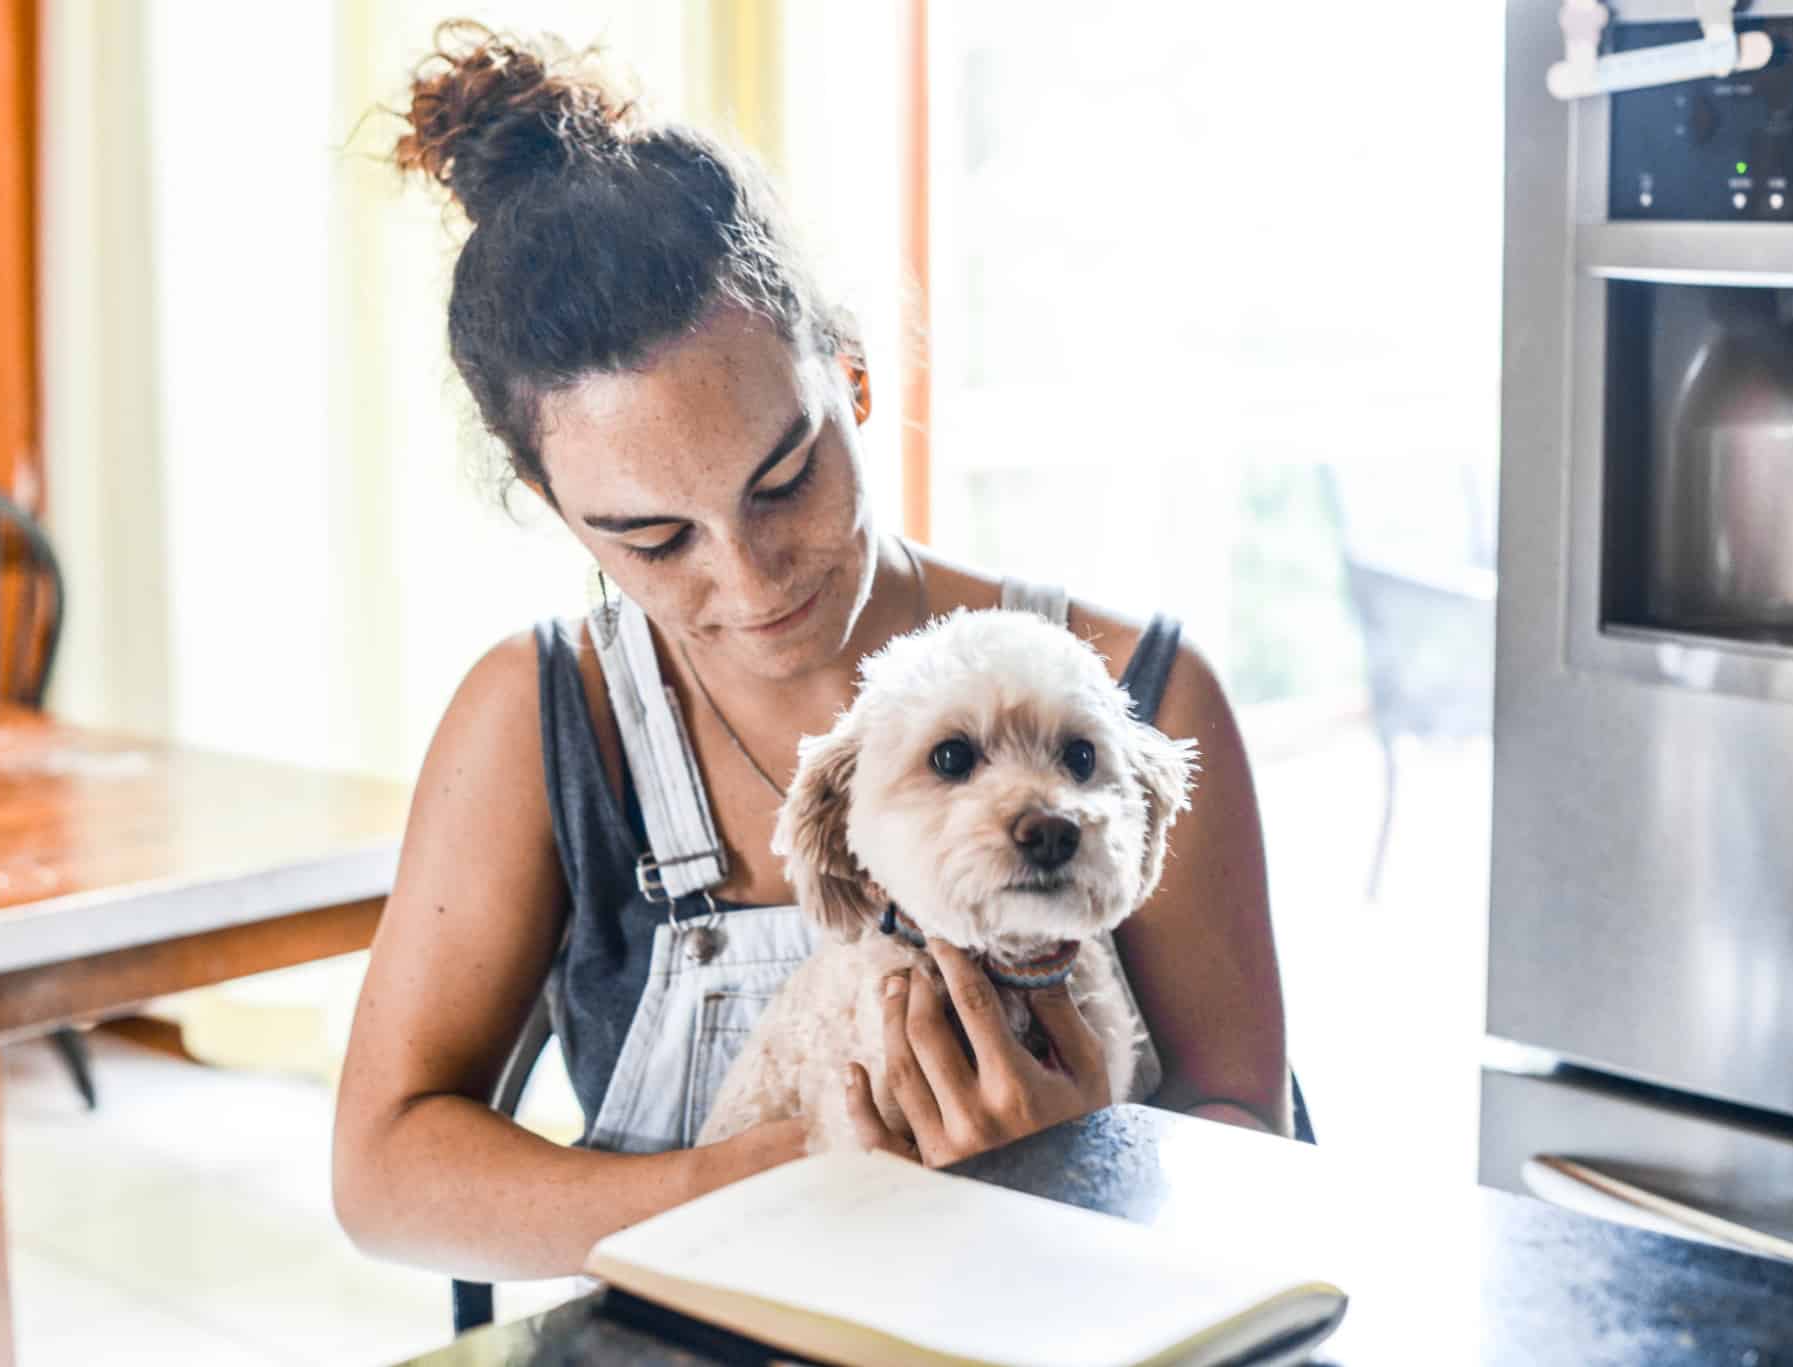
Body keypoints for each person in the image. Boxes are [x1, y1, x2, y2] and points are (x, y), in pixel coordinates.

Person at [331, 23, 1291, 1284]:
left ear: (850, 378)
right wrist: (753, 1186)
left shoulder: (1130, 692)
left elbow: (1252, 1136)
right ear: (549, 499)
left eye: (784, 479)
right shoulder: (544, 717)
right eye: (651, 537)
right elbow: (384, 1172)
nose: (750, 576)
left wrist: (1077, 1163)